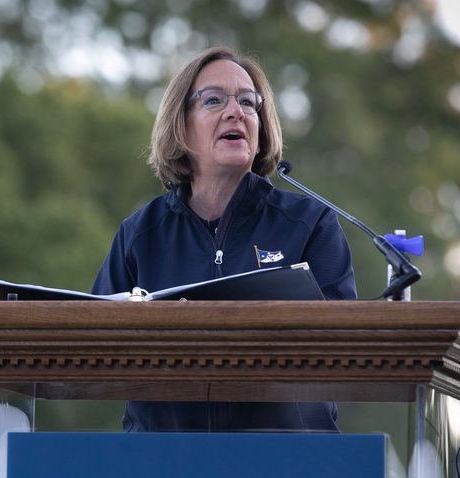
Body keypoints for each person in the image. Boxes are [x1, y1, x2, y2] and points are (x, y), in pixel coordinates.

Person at [91, 46, 357, 433]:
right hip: (165, 463)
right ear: (180, 124)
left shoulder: (310, 222)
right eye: (214, 100)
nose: (237, 112)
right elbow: (91, 346)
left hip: (287, 464)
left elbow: (346, 349)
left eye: (249, 103)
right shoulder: (140, 233)